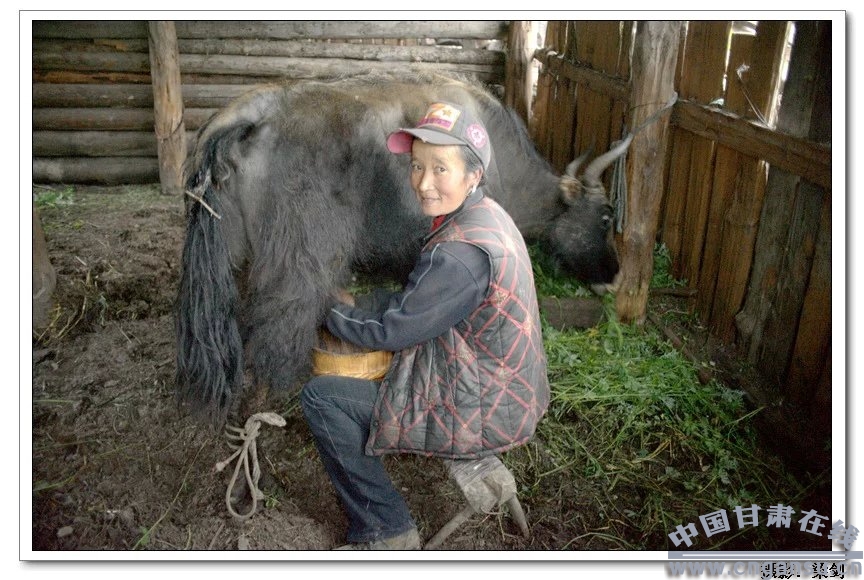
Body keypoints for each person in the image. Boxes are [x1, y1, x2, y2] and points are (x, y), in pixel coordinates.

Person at [300, 101, 549, 550]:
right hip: (507, 387)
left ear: (473, 174)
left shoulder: (458, 254)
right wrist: (366, 304)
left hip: (483, 409)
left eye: (440, 169)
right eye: (417, 166)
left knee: (323, 398)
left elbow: (391, 333)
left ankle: (385, 529)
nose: (423, 182)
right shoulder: (485, 216)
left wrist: (325, 310)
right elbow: (422, 302)